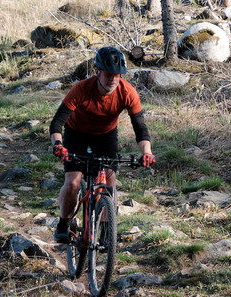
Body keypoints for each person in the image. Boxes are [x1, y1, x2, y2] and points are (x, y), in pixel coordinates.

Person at [49, 46, 155, 244]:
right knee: (73, 181)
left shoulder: (127, 92)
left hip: (105, 136)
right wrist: (58, 145)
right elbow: (57, 123)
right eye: (108, 74)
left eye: (118, 75)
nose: (113, 79)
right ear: (98, 71)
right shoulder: (81, 89)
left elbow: (140, 128)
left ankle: (107, 228)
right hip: (76, 135)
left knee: (109, 182)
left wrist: (147, 153)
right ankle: (63, 223)